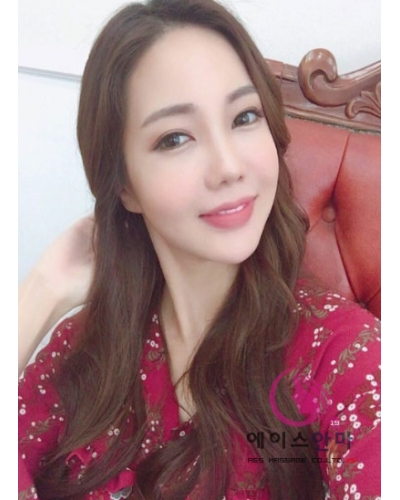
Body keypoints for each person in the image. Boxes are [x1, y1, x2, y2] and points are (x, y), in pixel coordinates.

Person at [18, 0, 381, 499]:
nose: (229, 167)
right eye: (175, 139)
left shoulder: (344, 357)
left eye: (245, 116)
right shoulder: (85, 346)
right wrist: (34, 300)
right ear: (124, 186)